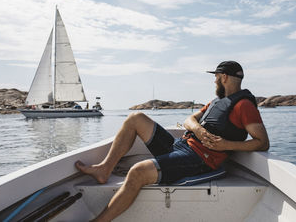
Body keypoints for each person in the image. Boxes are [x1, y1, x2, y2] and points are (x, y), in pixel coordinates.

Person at [75, 61, 269, 222]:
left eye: (216, 77)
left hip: (200, 159)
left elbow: (262, 142)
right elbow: (189, 120)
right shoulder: (215, 102)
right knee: (136, 118)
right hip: (182, 146)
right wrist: (198, 130)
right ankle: (104, 169)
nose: (214, 81)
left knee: (138, 171)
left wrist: (227, 145)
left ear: (223, 77)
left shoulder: (244, 106)